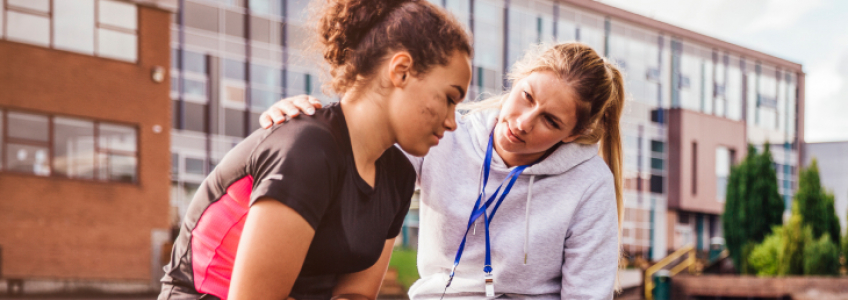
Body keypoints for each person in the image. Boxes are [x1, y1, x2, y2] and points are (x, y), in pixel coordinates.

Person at [158, 0, 472, 299]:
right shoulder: (307, 149)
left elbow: (356, 294)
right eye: (449, 98)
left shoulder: (398, 177)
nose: (452, 122)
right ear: (401, 70)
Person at [262, 42, 626, 299]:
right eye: (527, 96)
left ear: (573, 133)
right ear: (517, 81)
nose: (524, 122)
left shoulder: (589, 183)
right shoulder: (447, 136)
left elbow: (586, 294)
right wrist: (311, 121)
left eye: (549, 120)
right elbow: (365, 141)